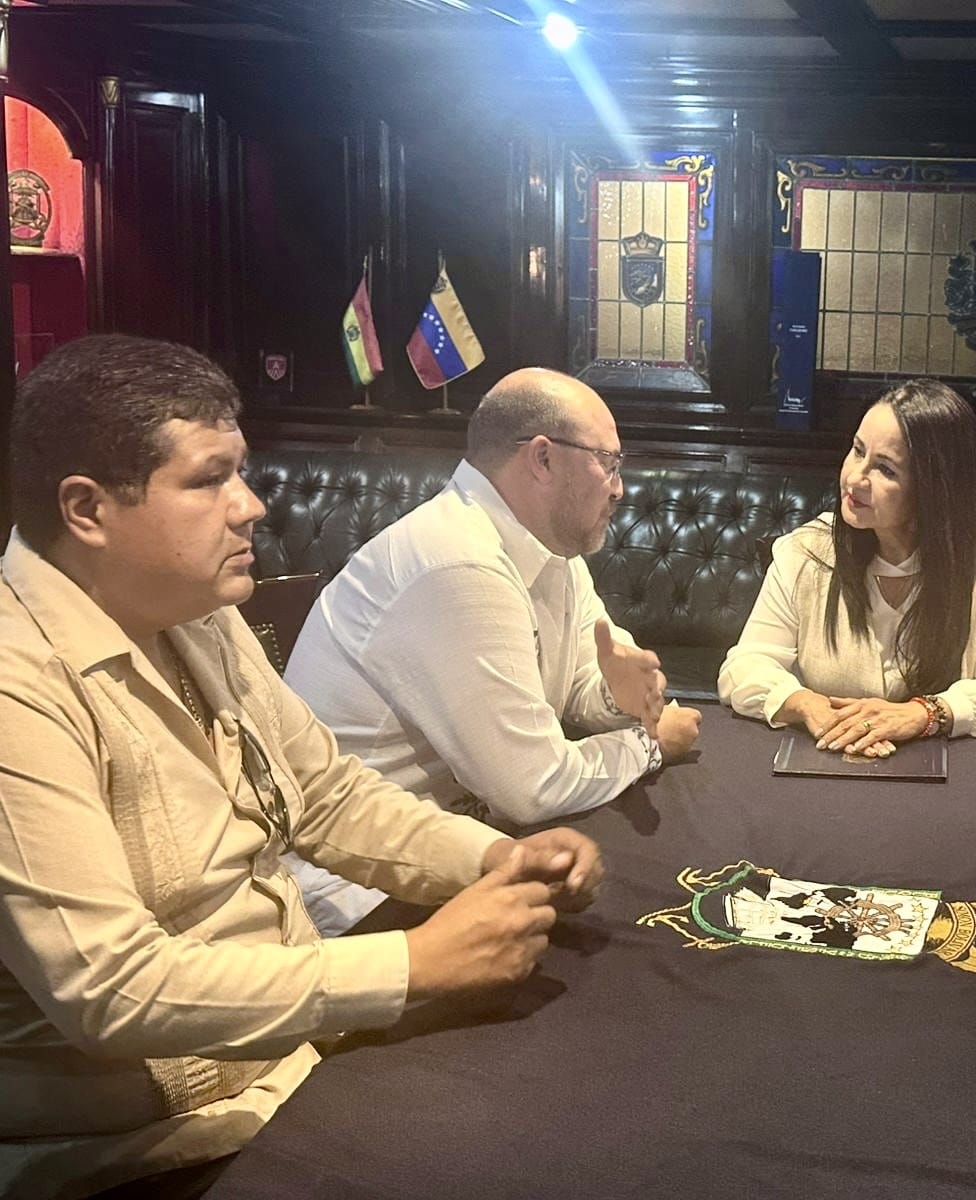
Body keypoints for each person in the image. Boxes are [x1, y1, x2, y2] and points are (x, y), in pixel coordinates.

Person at [0, 335, 603, 1199]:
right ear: (87, 509)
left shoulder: (194, 610)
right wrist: (414, 964)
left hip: (293, 1062)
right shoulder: (17, 684)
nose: (250, 505)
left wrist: (492, 857)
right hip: (143, 1144)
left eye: (241, 473)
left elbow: (326, 796)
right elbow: (110, 988)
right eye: (209, 480)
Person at [284, 367, 700, 935]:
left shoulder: (551, 550)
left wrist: (615, 696)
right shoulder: (459, 562)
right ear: (543, 458)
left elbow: (581, 680)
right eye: (608, 461)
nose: (619, 487)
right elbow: (532, 786)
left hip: (462, 851)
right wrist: (650, 745)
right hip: (358, 895)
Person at [717, 378, 976, 756]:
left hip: (951, 769)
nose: (855, 477)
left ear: (935, 488)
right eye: (857, 451)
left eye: (885, 469)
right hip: (830, 758)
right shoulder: (804, 552)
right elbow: (744, 667)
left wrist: (924, 714)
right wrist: (804, 703)